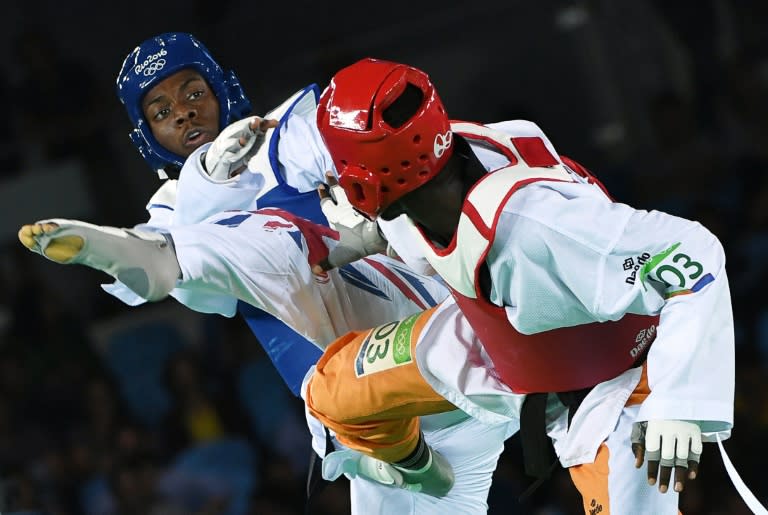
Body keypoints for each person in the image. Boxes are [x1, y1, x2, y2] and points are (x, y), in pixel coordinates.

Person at [17, 34, 519, 513]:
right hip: (389, 405)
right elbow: (204, 296)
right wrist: (206, 183)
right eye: (162, 112)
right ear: (147, 138)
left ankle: (162, 258)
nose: (185, 112)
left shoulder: (293, 129)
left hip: (423, 314)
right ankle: (395, 451)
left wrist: (352, 214)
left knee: (261, 239)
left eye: (193, 93)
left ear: (223, 90)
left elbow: (385, 156)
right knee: (229, 255)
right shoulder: (171, 211)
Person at [303, 57, 736, 514]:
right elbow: (421, 205)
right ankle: (422, 471)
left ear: (363, 181)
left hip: (613, 390)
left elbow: (694, 252)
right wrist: (373, 233)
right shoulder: (452, 155)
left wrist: (677, 404)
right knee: (331, 392)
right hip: (495, 339)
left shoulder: (536, 225)